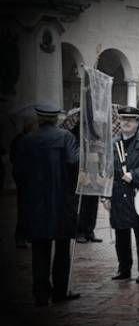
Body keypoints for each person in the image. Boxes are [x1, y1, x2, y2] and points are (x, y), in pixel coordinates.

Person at [13, 103, 80, 306]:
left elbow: (18, 172)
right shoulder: (66, 137)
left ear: (39, 118)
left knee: (39, 250)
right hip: (61, 202)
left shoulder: (27, 140)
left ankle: (41, 294)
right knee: (62, 249)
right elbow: (74, 164)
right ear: (56, 118)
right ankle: (60, 291)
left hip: (36, 204)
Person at [103, 106, 139, 283]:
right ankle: (124, 269)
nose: (126, 123)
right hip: (118, 194)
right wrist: (105, 195)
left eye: (130, 119)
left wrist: (135, 174)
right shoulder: (113, 143)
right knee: (121, 234)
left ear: (137, 123)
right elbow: (106, 170)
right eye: (122, 119)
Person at [9, 117, 37, 249]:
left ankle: (28, 235)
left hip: (31, 180)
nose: (34, 126)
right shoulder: (20, 140)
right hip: (25, 180)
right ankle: (21, 237)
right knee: (23, 210)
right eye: (32, 124)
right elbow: (15, 160)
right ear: (27, 126)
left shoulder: (30, 139)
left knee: (31, 209)